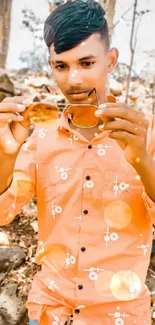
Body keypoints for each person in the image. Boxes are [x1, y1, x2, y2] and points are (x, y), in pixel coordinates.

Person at [0, 1, 155, 324]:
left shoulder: (146, 133)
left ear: (110, 60)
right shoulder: (40, 139)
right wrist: (5, 155)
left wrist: (141, 161)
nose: (73, 80)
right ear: (51, 65)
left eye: (86, 63)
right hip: (49, 311)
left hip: (120, 315)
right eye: (61, 66)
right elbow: (4, 213)